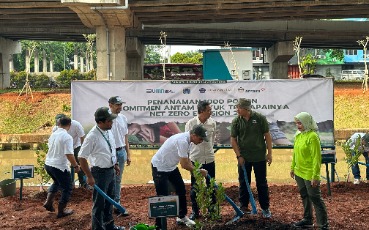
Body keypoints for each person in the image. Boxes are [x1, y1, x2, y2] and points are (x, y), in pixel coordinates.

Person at [151, 125, 209, 229]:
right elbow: (184, 165)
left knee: (181, 189)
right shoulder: (182, 141)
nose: (201, 141)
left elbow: (187, 160)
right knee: (162, 196)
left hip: (171, 167)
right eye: (201, 139)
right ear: (194, 135)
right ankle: (159, 226)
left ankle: (181, 216)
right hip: (159, 166)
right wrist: (199, 171)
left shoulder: (189, 141)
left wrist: (195, 171)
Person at [78, 107, 125, 230]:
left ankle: (109, 226)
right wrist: (89, 176)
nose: (112, 123)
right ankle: (97, 228)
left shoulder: (108, 131)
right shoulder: (92, 137)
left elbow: (110, 149)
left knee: (109, 200)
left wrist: (114, 164)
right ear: (100, 122)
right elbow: (82, 158)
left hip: (110, 171)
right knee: (99, 203)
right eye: (109, 121)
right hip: (99, 173)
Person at [230, 98, 272, 218]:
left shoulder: (259, 118)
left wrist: (269, 154)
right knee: (243, 182)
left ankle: (265, 208)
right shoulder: (236, 121)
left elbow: (267, 136)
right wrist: (239, 156)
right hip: (244, 158)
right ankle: (243, 206)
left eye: (239, 108)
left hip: (259, 157)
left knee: (261, 183)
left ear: (246, 109)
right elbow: (233, 139)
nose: (237, 110)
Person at [290, 112, 329, 229]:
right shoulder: (298, 135)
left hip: (309, 173)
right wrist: (293, 168)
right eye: (297, 123)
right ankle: (307, 219)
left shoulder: (313, 136)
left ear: (307, 123)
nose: (298, 126)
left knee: (315, 198)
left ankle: (323, 225)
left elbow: (316, 158)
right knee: (304, 196)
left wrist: (315, 176)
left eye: (300, 123)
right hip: (299, 172)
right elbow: (295, 153)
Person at [43, 116, 80, 218]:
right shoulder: (67, 137)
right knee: (67, 187)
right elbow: (69, 154)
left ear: (58, 124)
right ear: (70, 125)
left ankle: (48, 202)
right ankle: (61, 211)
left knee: (57, 182)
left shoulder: (53, 134)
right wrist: (76, 166)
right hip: (59, 166)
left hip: (48, 164)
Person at [185, 100, 216, 220]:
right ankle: (195, 211)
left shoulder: (212, 123)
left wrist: (210, 152)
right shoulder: (191, 123)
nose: (210, 112)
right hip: (195, 159)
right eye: (208, 110)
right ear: (201, 111)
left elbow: (212, 140)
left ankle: (212, 210)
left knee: (211, 185)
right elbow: (187, 141)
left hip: (209, 158)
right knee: (195, 186)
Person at [108, 96, 131, 215]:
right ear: (110, 105)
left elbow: (125, 137)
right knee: (108, 179)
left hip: (121, 151)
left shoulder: (123, 118)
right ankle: (107, 205)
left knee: (117, 179)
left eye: (120, 104)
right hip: (108, 153)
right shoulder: (106, 118)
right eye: (117, 105)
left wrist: (128, 154)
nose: (120, 107)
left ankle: (116, 204)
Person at [53, 114, 87, 188]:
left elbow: (82, 137)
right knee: (62, 166)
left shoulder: (76, 125)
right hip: (63, 148)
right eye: (58, 124)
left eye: (60, 124)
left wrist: (82, 151)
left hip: (76, 146)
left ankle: (84, 184)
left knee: (79, 164)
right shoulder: (55, 128)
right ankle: (68, 184)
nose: (59, 126)